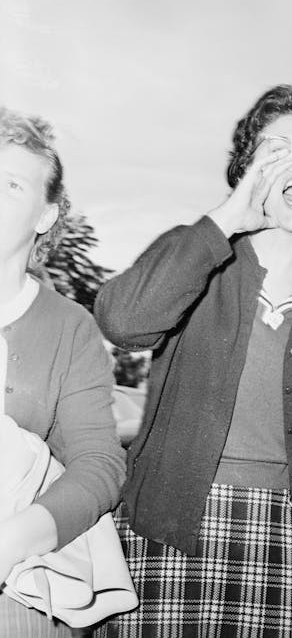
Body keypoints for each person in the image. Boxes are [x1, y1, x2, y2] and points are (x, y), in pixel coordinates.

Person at [93, 85, 292, 638]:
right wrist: (226, 218)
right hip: (171, 523)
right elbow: (121, 321)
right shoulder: (198, 255)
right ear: (248, 168)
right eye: (278, 150)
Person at [0, 108, 126, 636]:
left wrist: (11, 541)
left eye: (10, 184)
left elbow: (99, 465)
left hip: (16, 586)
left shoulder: (68, 328)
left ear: (46, 215)